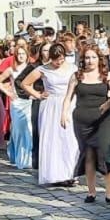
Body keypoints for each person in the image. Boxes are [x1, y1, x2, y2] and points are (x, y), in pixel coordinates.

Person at [64, 46, 110, 205]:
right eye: (87, 57)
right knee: (88, 154)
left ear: (99, 59)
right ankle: (91, 191)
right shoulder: (76, 76)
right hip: (82, 119)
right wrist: (63, 113)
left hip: (103, 119)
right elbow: (68, 97)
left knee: (106, 152)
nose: (90, 61)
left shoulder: (106, 75)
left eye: (93, 57)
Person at [35, 43, 81, 188]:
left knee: (70, 139)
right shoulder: (43, 69)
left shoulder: (73, 68)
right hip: (51, 105)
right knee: (53, 139)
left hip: (69, 103)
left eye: (61, 59)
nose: (59, 63)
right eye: (56, 60)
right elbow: (24, 83)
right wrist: (38, 94)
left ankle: (71, 173)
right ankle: (54, 173)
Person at [0, 40, 38, 173]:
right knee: (19, 130)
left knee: (29, 130)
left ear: (27, 55)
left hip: (29, 100)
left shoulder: (32, 68)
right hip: (17, 102)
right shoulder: (11, 70)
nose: (21, 56)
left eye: (23, 54)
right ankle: (17, 155)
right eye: (18, 54)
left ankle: (28, 158)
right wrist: (7, 91)